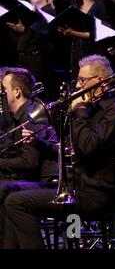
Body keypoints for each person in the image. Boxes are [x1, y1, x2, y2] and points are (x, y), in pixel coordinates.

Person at [3, 55, 115, 249]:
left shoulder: (114, 112)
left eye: (82, 80)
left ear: (99, 80)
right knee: (4, 191)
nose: (78, 86)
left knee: (16, 202)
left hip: (93, 194)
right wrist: (40, 143)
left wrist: (79, 109)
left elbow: (88, 148)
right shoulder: (91, 109)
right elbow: (71, 152)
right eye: (78, 80)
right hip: (73, 186)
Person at [0, 68, 57, 249]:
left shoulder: (32, 116)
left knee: (4, 190)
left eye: (4, 90)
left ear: (17, 92)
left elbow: (28, 162)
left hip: (43, 180)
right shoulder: (18, 116)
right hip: (29, 177)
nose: (2, 94)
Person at [6, 0, 56, 99]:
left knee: (37, 95)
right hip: (24, 58)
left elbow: (44, 38)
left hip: (37, 60)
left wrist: (24, 29)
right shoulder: (32, 12)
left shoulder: (49, 12)